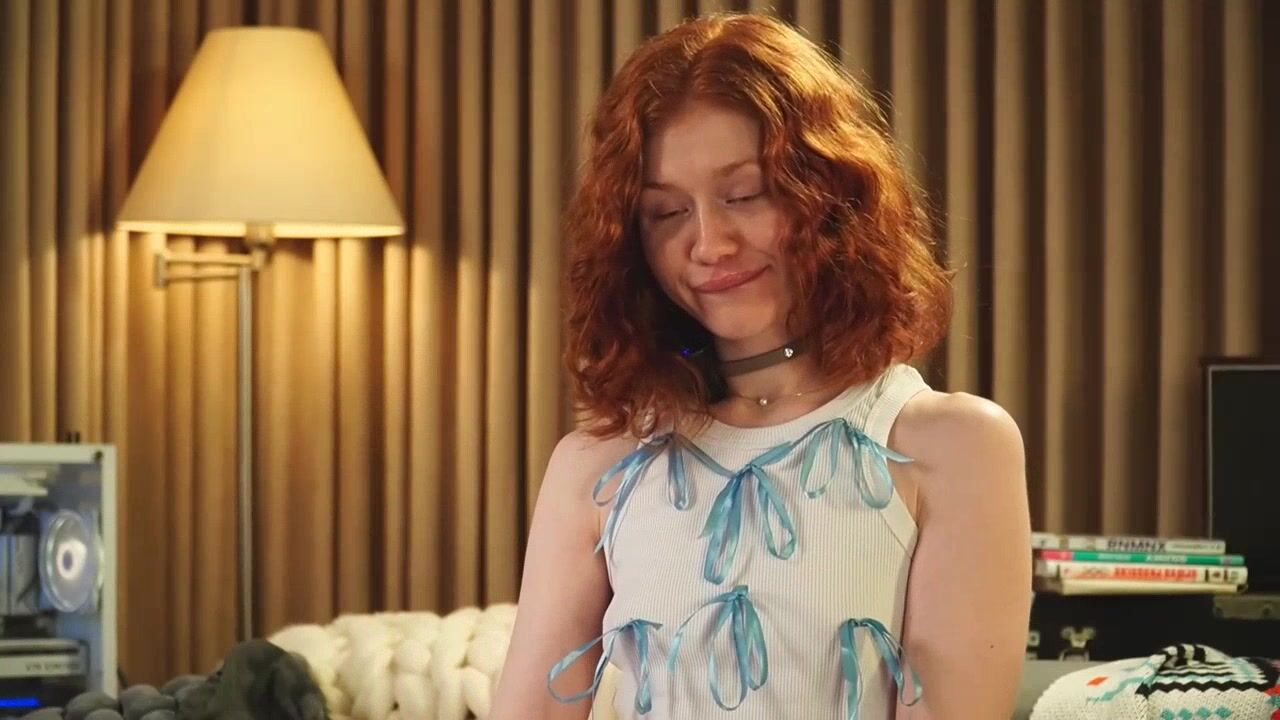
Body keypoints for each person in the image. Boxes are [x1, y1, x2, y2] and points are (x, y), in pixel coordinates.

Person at [491, 12, 1031, 720]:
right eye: (666, 213)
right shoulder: (596, 465)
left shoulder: (954, 445)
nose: (709, 243)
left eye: (744, 195)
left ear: (830, 197)